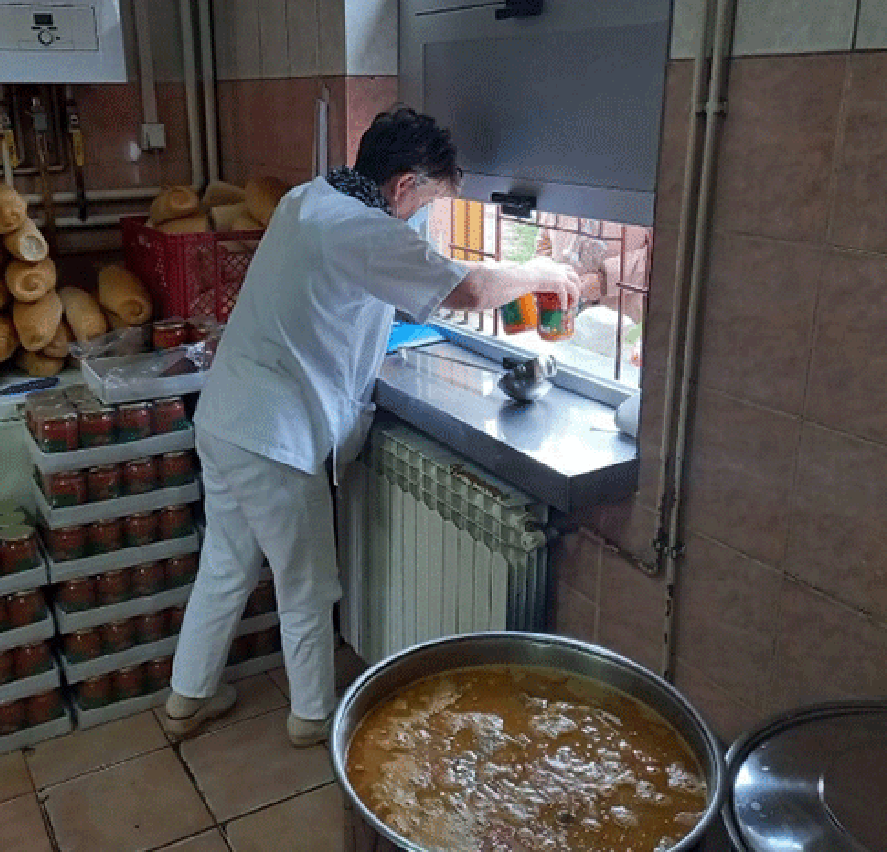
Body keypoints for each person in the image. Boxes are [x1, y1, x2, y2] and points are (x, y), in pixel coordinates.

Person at [163, 107, 581, 746]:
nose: (422, 218)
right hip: (274, 435)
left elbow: (344, 291)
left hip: (224, 417)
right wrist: (543, 273)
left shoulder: (311, 197)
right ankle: (311, 717)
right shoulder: (364, 230)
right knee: (307, 585)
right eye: (428, 204)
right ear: (405, 183)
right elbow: (469, 291)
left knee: (225, 563)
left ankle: (187, 698)